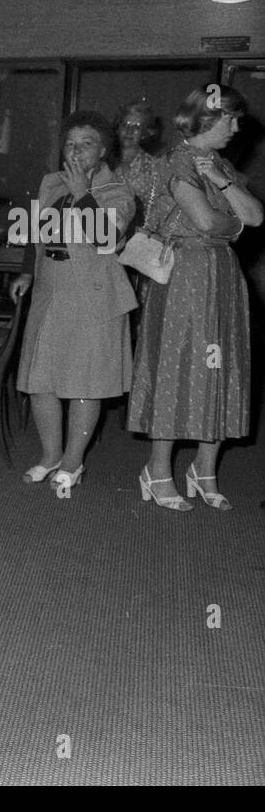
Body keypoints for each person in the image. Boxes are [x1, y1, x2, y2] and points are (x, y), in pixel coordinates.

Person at [127, 86, 263, 510]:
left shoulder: (218, 163)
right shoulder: (179, 162)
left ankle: (204, 470)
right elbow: (206, 222)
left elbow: (257, 214)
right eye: (231, 120)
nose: (237, 128)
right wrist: (236, 227)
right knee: (178, 366)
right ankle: (158, 469)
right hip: (185, 275)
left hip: (222, 275)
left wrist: (224, 184)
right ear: (206, 119)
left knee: (220, 366)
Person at [8, 112, 136, 497]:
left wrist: (83, 193)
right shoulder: (50, 182)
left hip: (93, 296)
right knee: (40, 380)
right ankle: (50, 456)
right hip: (51, 290)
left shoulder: (119, 190)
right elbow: (35, 234)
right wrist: (28, 273)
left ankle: (72, 463)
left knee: (85, 383)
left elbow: (106, 238)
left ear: (103, 150)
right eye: (70, 143)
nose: (77, 150)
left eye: (87, 143)